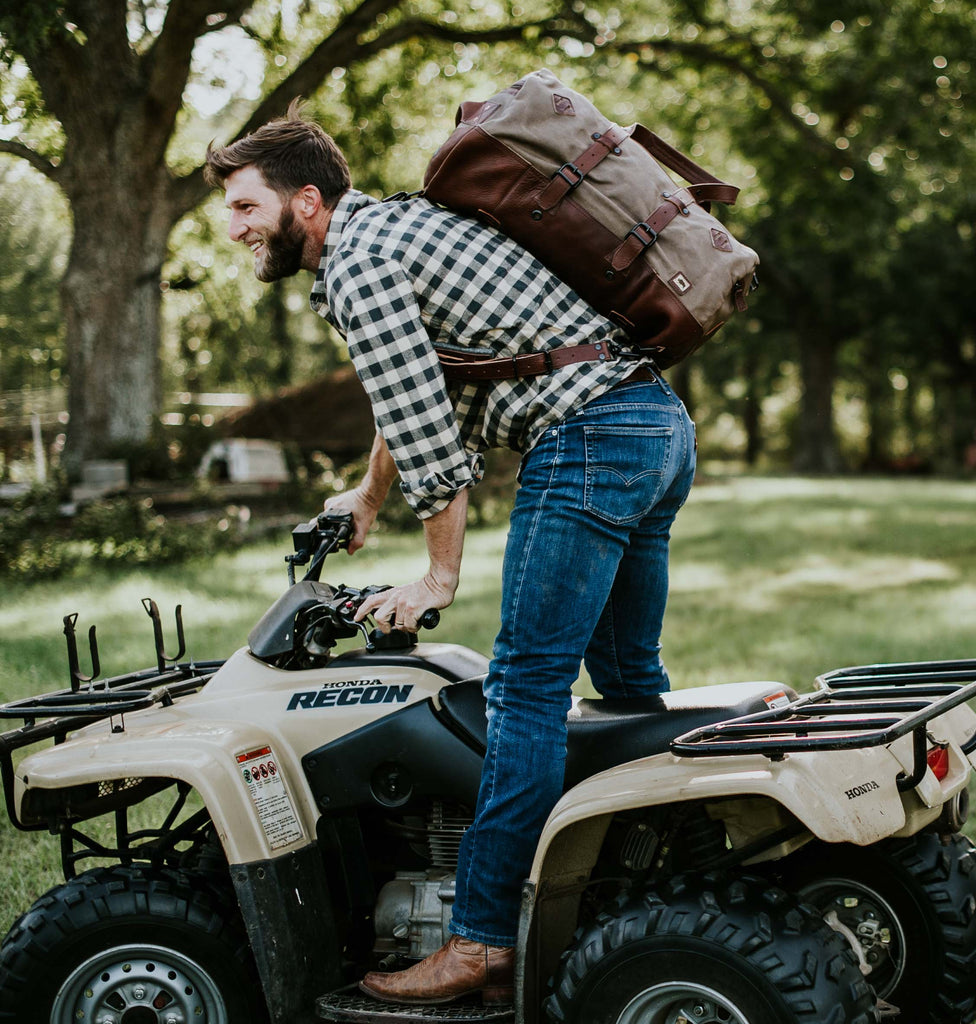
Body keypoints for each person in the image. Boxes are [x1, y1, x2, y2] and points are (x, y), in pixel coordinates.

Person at [204, 103, 697, 1007]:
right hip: (654, 423)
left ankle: (477, 943)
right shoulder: (393, 226)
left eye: (243, 208)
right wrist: (366, 498)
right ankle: (650, 887)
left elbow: (429, 436)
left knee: (525, 691)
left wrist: (437, 575)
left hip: (590, 437)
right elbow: (418, 393)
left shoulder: (356, 265)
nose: (232, 230)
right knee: (626, 678)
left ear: (305, 201)